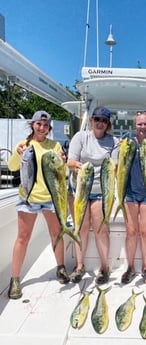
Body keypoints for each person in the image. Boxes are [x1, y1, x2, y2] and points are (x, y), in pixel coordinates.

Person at [7, 110, 70, 299]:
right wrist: (19, 155)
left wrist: (64, 162)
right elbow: (12, 168)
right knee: (23, 238)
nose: (42, 128)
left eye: (45, 125)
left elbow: (62, 171)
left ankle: (60, 268)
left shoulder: (55, 145)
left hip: (51, 197)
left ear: (49, 128)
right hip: (28, 197)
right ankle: (15, 279)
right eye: (38, 124)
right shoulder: (24, 145)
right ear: (32, 124)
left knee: (56, 234)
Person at [67, 106, 119, 284]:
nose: (100, 123)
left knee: (101, 230)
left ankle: (105, 268)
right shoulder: (80, 137)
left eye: (104, 121)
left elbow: (115, 166)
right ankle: (79, 266)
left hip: (101, 192)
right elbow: (70, 161)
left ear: (108, 123)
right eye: (97, 119)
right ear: (91, 121)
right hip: (80, 190)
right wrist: (76, 166)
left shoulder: (114, 142)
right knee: (80, 228)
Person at [121, 110, 146, 285]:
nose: (142, 127)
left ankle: (145, 268)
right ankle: (130, 267)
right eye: (139, 123)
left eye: (145, 123)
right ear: (134, 125)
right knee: (131, 232)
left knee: (145, 233)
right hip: (130, 193)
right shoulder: (129, 143)